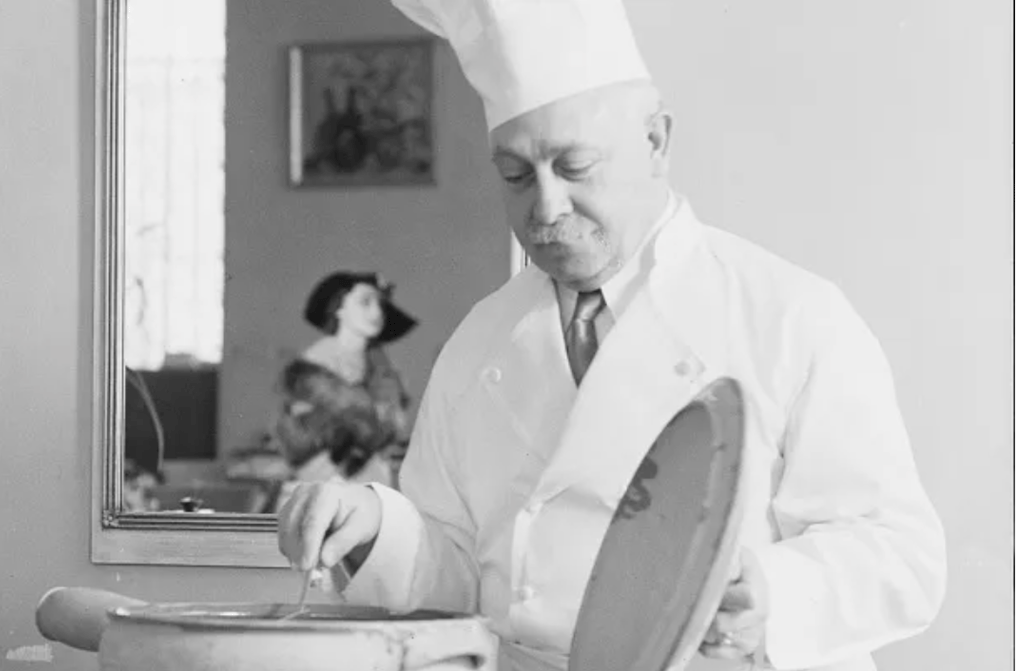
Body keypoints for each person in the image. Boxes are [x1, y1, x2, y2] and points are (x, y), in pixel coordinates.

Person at [277, 2, 947, 670]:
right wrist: (375, 525)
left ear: (656, 141)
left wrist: (773, 593)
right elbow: (456, 570)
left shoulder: (789, 314)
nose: (546, 208)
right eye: (515, 175)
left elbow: (902, 555)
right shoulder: (480, 339)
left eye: (574, 167)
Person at [271, 271, 417, 510]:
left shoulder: (382, 370)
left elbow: (394, 429)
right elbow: (296, 440)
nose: (376, 312)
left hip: (373, 490)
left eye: (380, 304)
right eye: (365, 302)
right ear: (338, 308)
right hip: (323, 493)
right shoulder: (312, 369)